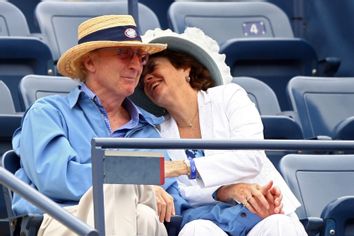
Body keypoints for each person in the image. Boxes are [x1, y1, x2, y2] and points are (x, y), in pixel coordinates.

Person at [11, 15, 169, 236]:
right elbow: (57, 178)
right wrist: (139, 183)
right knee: (119, 184)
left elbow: (171, 198)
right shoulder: (47, 113)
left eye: (141, 57)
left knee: (144, 215)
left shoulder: (148, 130)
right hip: (62, 220)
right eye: (123, 54)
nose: (135, 66)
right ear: (89, 62)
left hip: (132, 223)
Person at [140, 28, 308, 235]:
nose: (146, 77)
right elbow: (180, 192)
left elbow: (250, 157)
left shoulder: (229, 96)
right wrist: (223, 191)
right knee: (195, 230)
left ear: (185, 68)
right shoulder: (156, 132)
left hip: (262, 212)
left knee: (278, 225)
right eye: (141, 76)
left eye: (152, 67)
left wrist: (185, 167)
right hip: (207, 220)